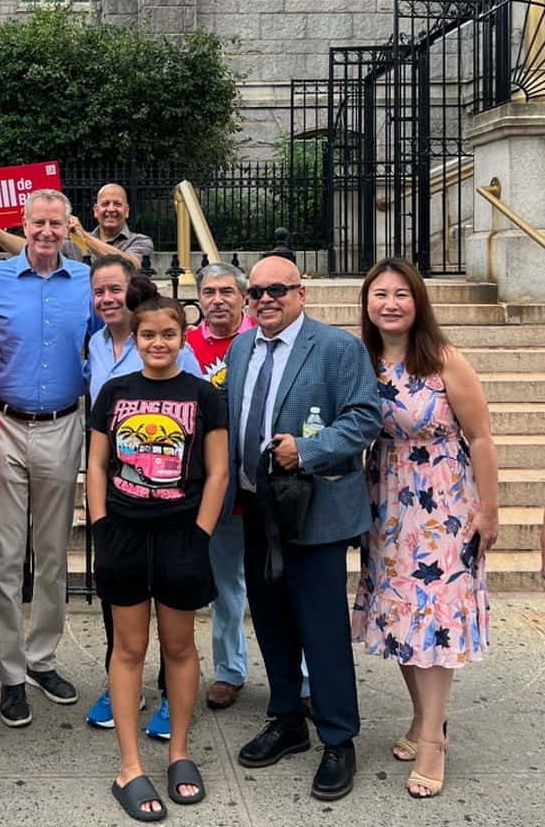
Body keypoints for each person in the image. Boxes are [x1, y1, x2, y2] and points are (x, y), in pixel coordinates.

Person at [224, 255, 381, 802]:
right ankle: (288, 718)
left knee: (322, 627)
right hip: (257, 507)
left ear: (301, 293)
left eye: (277, 290)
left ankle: (338, 738)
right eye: (256, 292)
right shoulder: (240, 348)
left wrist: (308, 450)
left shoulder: (337, 347)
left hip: (314, 509)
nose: (265, 299)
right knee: (270, 620)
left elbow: (365, 417)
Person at [351, 258, 498, 799]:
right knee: (400, 617)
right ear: (367, 303)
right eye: (380, 294)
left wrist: (489, 510)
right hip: (386, 504)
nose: (390, 303)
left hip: (443, 504)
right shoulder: (362, 361)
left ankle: (434, 740)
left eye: (401, 294)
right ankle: (423, 719)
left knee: (433, 616)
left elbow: (481, 437)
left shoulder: (443, 360)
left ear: (418, 302)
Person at [88, 292, 229, 820]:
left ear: (182, 337)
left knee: (179, 646)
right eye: (148, 334)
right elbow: (97, 463)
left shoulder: (203, 395)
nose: (158, 343)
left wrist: (201, 533)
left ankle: (179, 752)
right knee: (128, 648)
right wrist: (101, 524)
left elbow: (218, 470)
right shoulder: (115, 391)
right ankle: (129, 765)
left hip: (180, 532)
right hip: (124, 531)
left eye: (168, 334)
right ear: (136, 338)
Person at [0, 188, 98, 727]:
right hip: (3, 424)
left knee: (51, 554)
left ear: (69, 227)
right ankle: (9, 675)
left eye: (56, 223)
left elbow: (105, 345)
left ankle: (42, 658)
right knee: (5, 559)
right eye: (37, 222)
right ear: (22, 225)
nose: (47, 232)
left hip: (62, 424)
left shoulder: (87, 282)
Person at [185, 263, 315, 713]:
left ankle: (303, 679)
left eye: (227, 291)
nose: (217, 300)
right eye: (208, 292)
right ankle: (229, 670)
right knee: (225, 587)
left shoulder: (262, 339)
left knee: (288, 586)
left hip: (272, 488)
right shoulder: (186, 344)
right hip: (219, 489)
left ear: (245, 298)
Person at [83, 255, 202, 739]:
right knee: (120, 606)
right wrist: (99, 519)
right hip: (121, 499)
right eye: (99, 292)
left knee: (175, 622)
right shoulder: (95, 343)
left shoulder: (171, 351)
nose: (107, 299)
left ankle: (172, 694)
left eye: (115, 289)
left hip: (171, 499)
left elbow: (196, 425)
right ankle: (122, 689)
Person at [0, 182, 154, 269]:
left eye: (117, 204)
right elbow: (32, 248)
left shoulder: (140, 241)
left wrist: (84, 236)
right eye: (105, 204)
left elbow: (131, 266)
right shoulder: (74, 241)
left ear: (127, 211)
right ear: (95, 210)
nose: (111, 209)